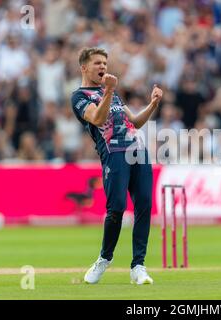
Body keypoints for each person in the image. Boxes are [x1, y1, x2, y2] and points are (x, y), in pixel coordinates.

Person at [71, 47, 163, 284]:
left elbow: (135, 122)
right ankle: (104, 258)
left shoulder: (111, 93)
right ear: (84, 68)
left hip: (138, 152)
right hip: (114, 154)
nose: (102, 67)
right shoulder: (80, 97)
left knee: (144, 204)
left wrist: (152, 104)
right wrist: (110, 90)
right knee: (117, 208)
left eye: (104, 63)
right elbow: (98, 119)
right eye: (97, 63)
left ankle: (138, 266)